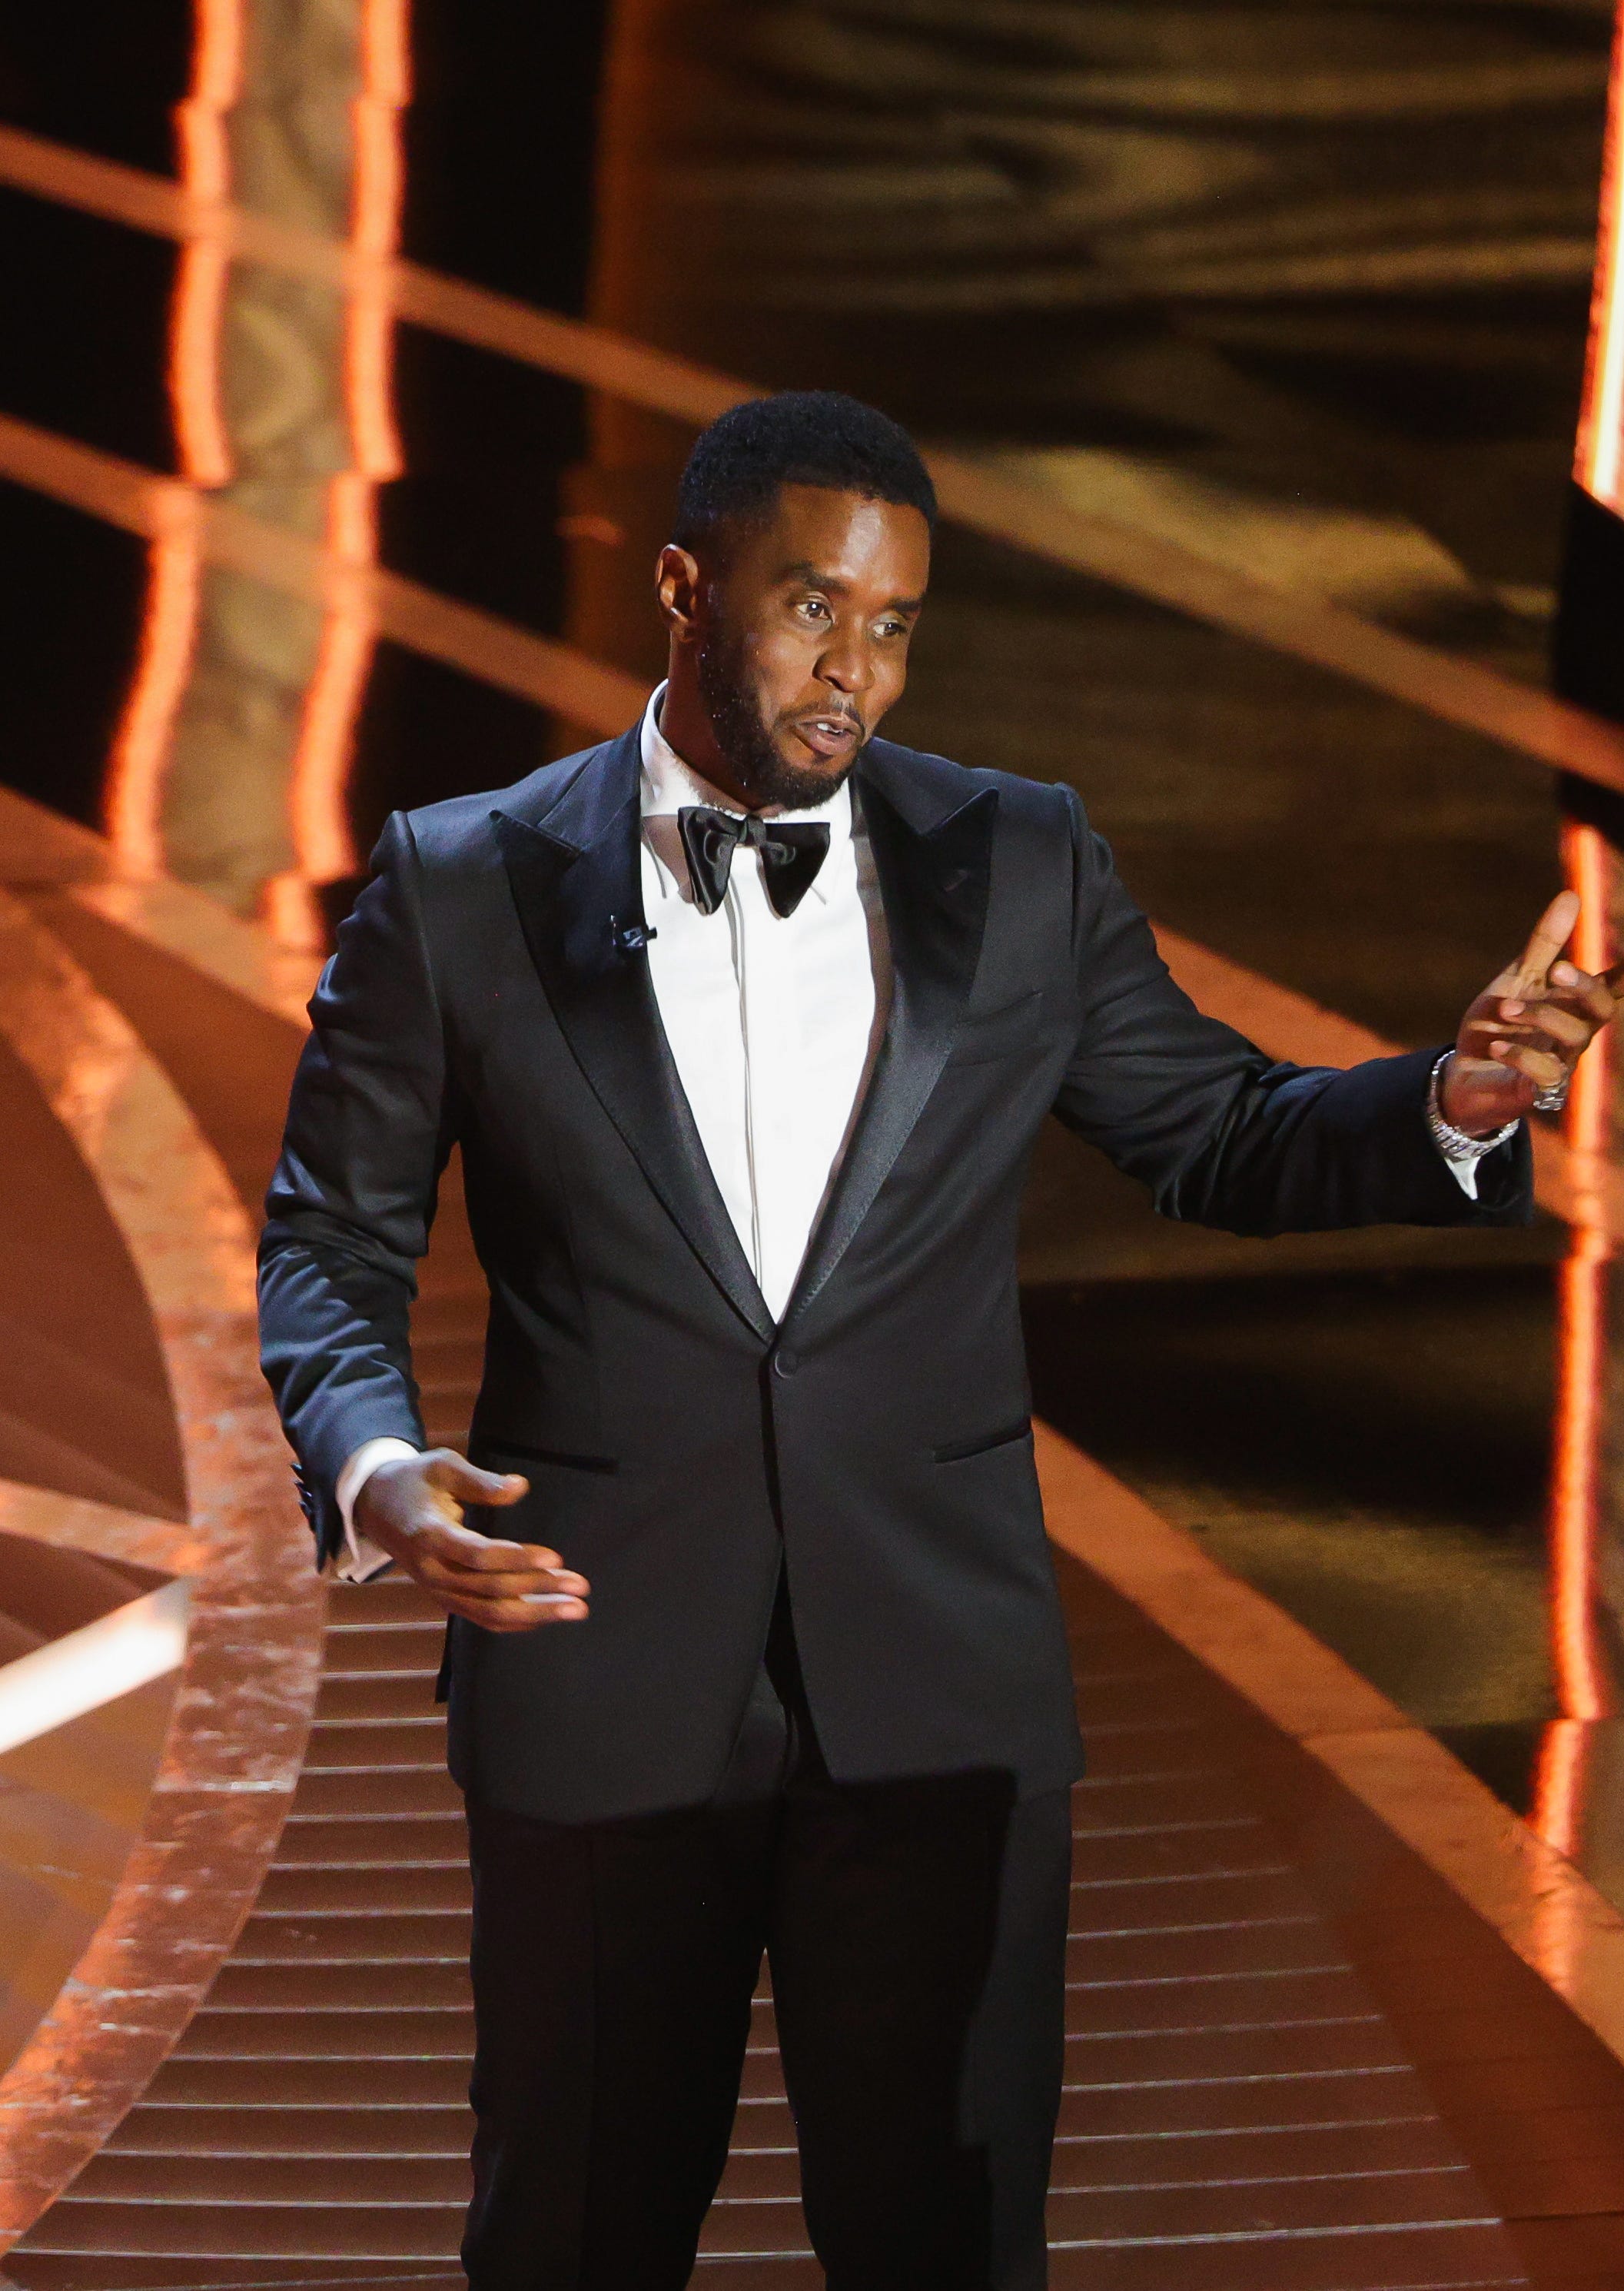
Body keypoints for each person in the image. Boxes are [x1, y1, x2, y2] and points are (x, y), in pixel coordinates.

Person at [257, 391, 1618, 2291]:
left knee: (948, 2243)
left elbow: (1215, 1133)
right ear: (681, 582)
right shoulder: (465, 879)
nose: (855, 674)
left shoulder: (1022, 860)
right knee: (569, 2235)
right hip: (601, 1673)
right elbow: (330, 1238)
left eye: (894, 625)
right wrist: (379, 1470)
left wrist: (1451, 1103)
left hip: (939, 1699)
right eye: (812, 609)